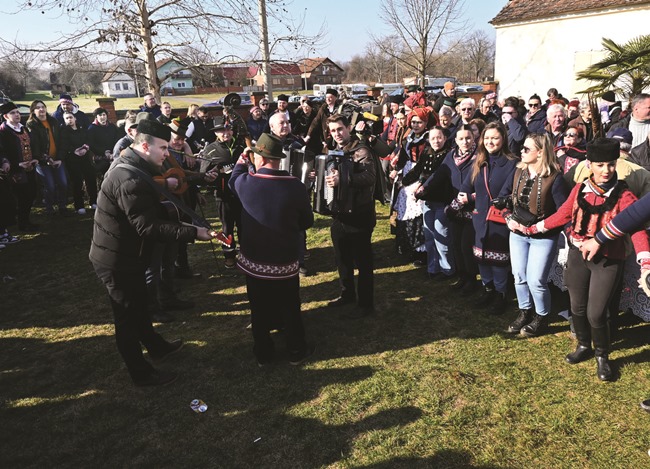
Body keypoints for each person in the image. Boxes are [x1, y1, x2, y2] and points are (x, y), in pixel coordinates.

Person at [89, 118, 216, 386]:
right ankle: (141, 373)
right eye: (163, 148)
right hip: (117, 259)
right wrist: (194, 232)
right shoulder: (129, 177)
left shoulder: (138, 166)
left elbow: (152, 212)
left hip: (130, 255)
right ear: (145, 146)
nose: (167, 154)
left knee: (139, 306)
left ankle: (155, 346)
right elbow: (147, 226)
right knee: (126, 316)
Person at [524, 138, 649, 381]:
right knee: (577, 307)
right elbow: (562, 214)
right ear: (589, 164)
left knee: (596, 312)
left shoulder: (624, 195)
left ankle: (603, 355)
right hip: (577, 255)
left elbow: (637, 229)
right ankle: (583, 345)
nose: (606, 171)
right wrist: (533, 229)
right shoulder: (580, 188)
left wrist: (645, 262)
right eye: (600, 165)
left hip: (608, 259)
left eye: (611, 165)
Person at [229, 132, 314, 366]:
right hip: (284, 261)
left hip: (254, 261)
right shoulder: (295, 186)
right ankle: (296, 350)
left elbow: (232, 179)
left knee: (258, 309)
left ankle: (263, 354)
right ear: (277, 159)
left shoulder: (246, 183)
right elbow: (307, 222)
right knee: (290, 305)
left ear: (260, 158)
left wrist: (242, 159)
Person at [504, 133, 569, 337]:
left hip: (543, 236)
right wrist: (509, 218)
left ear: (540, 153)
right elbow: (507, 199)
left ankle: (542, 316)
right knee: (519, 277)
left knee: (536, 280)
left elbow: (563, 212)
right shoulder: (519, 172)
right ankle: (525, 312)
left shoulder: (555, 178)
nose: (521, 152)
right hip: (517, 233)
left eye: (526, 149)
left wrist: (541, 226)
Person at [458, 122, 518, 315]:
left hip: (500, 219)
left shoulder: (512, 163)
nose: (491, 141)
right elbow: (466, 187)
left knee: (498, 259)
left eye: (495, 138)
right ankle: (487, 290)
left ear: (503, 139)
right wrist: (467, 197)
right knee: (482, 258)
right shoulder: (479, 162)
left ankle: (501, 295)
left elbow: (514, 192)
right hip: (480, 218)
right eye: (487, 138)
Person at [325, 114, 377, 318]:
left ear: (348, 128)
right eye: (332, 130)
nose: (336, 134)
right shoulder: (333, 150)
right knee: (342, 258)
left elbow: (369, 177)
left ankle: (366, 303)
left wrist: (343, 180)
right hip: (339, 214)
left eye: (340, 129)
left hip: (360, 213)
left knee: (363, 262)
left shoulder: (361, 150)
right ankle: (347, 294)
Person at [410, 126, 455, 279]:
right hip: (427, 201)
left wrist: (424, 185)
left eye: (439, 137)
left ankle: (447, 270)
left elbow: (438, 176)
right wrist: (405, 181)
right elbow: (419, 171)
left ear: (444, 138)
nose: (436, 141)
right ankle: (433, 268)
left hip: (442, 200)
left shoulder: (449, 154)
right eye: (433, 138)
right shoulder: (426, 153)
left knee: (441, 236)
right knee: (429, 236)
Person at [202, 116, 245, 269]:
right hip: (223, 196)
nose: (226, 132)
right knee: (227, 227)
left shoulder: (241, 146)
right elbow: (203, 175)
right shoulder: (210, 149)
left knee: (243, 225)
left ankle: (245, 254)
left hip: (242, 194)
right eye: (222, 130)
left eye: (228, 129)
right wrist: (215, 173)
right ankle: (229, 255)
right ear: (216, 133)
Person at [0, 102, 39, 232]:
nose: (17, 115)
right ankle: (22, 224)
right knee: (23, 197)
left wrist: (35, 158)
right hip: (16, 171)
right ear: (5, 116)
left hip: (30, 167)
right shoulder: (3, 131)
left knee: (32, 194)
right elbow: (3, 152)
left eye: (17, 112)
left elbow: (32, 144)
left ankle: (26, 220)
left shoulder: (24, 128)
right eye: (13, 113)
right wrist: (17, 164)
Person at [26, 100, 69, 216]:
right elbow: (34, 147)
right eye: (38, 108)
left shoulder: (53, 122)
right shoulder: (31, 125)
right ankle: (49, 208)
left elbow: (62, 142)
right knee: (49, 186)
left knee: (63, 183)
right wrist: (46, 159)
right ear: (33, 111)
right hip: (43, 162)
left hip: (57, 159)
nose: (41, 109)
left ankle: (62, 206)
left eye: (43, 107)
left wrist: (59, 158)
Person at [59, 111, 97, 215]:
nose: (69, 120)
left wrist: (85, 147)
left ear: (75, 118)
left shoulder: (82, 129)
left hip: (85, 157)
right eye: (66, 118)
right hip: (72, 160)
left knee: (90, 179)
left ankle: (93, 201)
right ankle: (79, 206)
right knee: (77, 182)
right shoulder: (64, 131)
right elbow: (64, 144)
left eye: (70, 117)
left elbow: (89, 140)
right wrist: (73, 151)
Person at [87, 107, 119, 178]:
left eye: (104, 115)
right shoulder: (92, 128)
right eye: (100, 115)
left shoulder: (112, 126)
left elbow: (117, 139)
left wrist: (113, 151)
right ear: (96, 117)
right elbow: (91, 144)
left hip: (114, 153)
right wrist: (104, 152)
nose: (103, 117)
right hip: (101, 157)